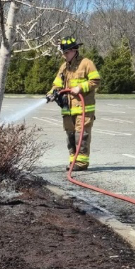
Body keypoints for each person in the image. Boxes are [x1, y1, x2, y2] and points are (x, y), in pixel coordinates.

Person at [49, 37, 101, 170]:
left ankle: (82, 163)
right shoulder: (64, 67)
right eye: (63, 53)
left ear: (74, 50)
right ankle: (73, 162)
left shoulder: (86, 63)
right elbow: (57, 83)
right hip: (67, 109)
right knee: (70, 136)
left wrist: (80, 87)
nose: (64, 55)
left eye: (66, 52)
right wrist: (52, 93)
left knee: (81, 136)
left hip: (83, 109)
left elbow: (95, 80)